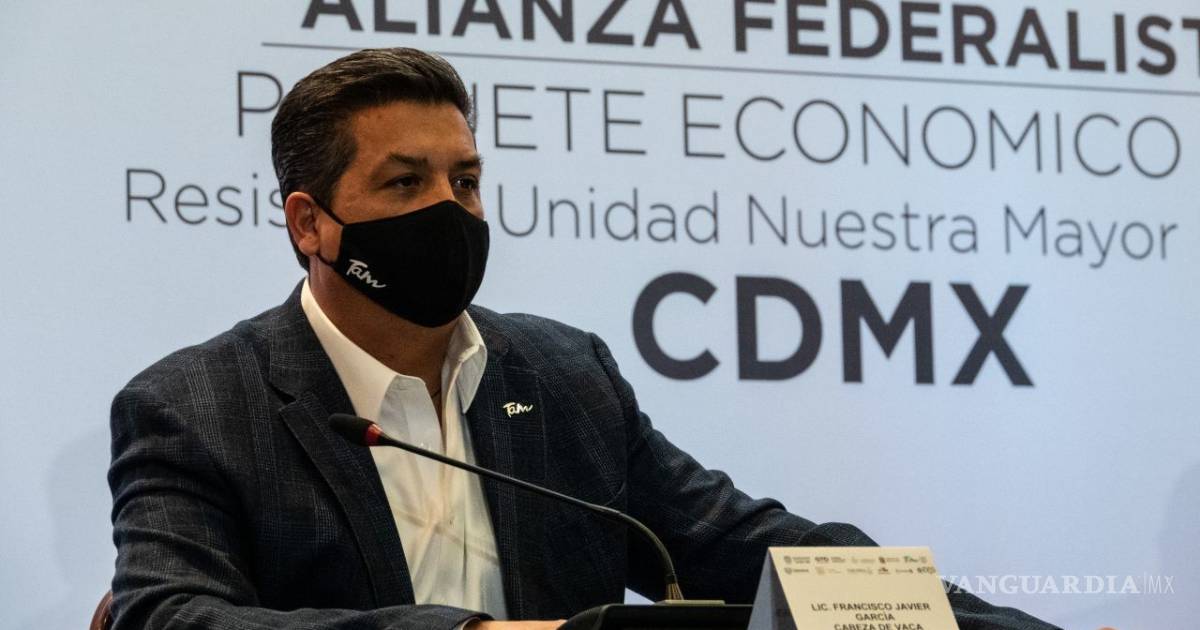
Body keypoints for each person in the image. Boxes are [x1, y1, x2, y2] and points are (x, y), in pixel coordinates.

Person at [107, 47, 1057, 630]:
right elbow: (170, 615)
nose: (451, 210)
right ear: (310, 223)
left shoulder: (563, 375)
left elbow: (751, 547)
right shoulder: (195, 407)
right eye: (405, 184)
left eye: (465, 181)